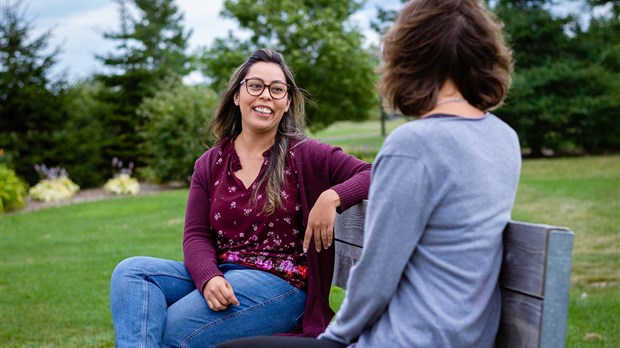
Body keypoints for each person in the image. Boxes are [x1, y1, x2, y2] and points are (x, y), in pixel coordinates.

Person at [217, 0, 520, 347]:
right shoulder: (503, 137)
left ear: (408, 57)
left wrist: (334, 338)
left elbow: (377, 275)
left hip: (407, 339)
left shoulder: (413, 144)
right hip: (470, 335)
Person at [109, 48, 371, 347]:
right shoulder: (210, 163)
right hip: (225, 273)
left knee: (174, 330)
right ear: (237, 95)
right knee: (132, 272)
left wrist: (333, 195)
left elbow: (378, 172)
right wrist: (208, 277)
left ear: (286, 103)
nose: (266, 96)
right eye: (256, 85)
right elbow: (196, 235)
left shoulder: (306, 154)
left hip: (282, 284)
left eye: (277, 89)